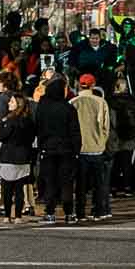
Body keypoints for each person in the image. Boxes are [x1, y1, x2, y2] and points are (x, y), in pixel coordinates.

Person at [33, 77, 80, 225]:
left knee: (50, 182)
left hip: (48, 148)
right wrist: (77, 149)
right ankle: (69, 213)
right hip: (66, 149)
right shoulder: (68, 108)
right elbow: (75, 131)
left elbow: (38, 128)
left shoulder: (42, 107)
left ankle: (50, 212)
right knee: (66, 182)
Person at [73, 73, 113, 222]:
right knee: (99, 183)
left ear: (79, 84)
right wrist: (101, 141)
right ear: (93, 85)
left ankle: (80, 212)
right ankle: (99, 211)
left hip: (80, 149)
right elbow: (105, 126)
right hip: (97, 148)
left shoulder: (73, 102)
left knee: (81, 184)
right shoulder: (101, 102)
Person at [0, 92, 37, 221]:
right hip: (23, 157)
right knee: (19, 188)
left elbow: (2, 137)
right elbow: (31, 138)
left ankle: (8, 215)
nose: (9, 103)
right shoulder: (29, 121)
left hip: (8, 157)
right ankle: (18, 216)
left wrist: (3, 124)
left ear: (18, 105)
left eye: (12, 102)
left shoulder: (8, 120)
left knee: (7, 189)